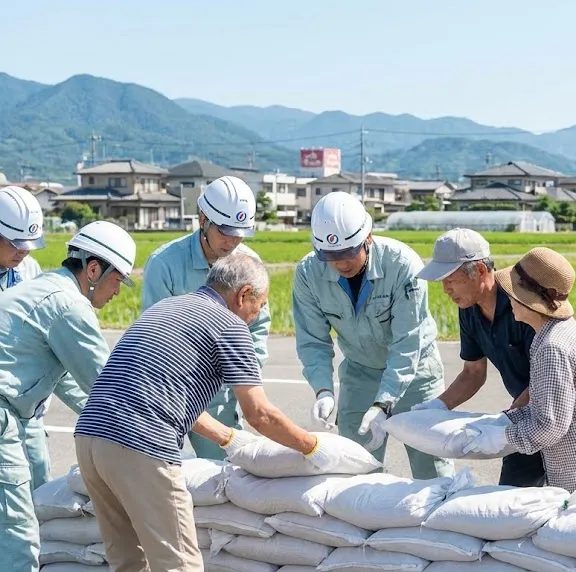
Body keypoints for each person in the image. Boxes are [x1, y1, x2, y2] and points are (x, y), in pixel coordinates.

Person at [75, 253, 338, 572]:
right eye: (260, 304)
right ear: (243, 295)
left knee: (128, 560)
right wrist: (312, 447)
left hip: (90, 438)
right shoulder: (230, 325)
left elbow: (164, 394)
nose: (258, 314)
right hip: (141, 444)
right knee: (179, 563)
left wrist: (228, 438)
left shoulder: (167, 307)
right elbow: (260, 414)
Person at [0, 220, 137, 572]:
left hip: (12, 412)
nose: (117, 291)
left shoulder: (46, 289)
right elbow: (109, 386)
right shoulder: (68, 306)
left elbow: (69, 384)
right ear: (93, 269)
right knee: (18, 536)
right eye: (117, 280)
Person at [293, 191, 453, 480]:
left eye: (348, 252)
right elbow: (312, 339)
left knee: (431, 464)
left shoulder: (403, 265)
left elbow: (408, 342)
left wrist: (384, 403)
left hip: (416, 372)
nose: (341, 263)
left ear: (368, 236)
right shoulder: (307, 273)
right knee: (354, 466)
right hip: (359, 370)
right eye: (330, 256)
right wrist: (323, 389)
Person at [460, 247, 576, 502]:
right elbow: (548, 405)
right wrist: (506, 419)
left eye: (512, 292)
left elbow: (549, 427)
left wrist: (501, 436)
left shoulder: (551, 348)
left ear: (529, 300)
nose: (507, 299)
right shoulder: (555, 333)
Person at [142, 175, 271, 460]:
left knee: (223, 472)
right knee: (161, 467)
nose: (232, 241)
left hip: (221, 387)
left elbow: (258, 325)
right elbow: (154, 333)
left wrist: (244, 373)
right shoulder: (165, 263)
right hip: (171, 386)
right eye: (225, 231)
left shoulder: (248, 263)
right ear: (203, 219)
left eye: (240, 233)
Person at [413, 228, 544, 487]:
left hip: (558, 416)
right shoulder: (469, 308)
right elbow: (473, 372)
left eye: (450, 279)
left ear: (480, 272)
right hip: (524, 417)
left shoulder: (523, 303)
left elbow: (546, 378)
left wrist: (505, 420)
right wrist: (438, 406)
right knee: (512, 500)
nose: (445, 289)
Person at [0, 185, 81, 490]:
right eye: (15, 243)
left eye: (28, 243)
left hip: (30, 411)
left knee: (37, 487)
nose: (23, 251)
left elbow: (50, 351)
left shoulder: (29, 269)